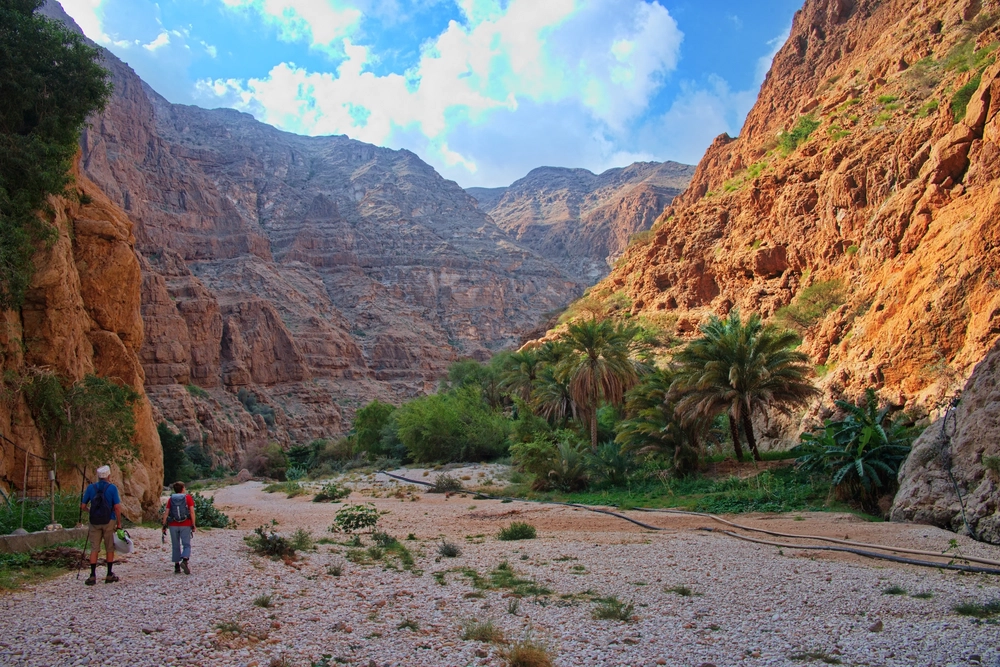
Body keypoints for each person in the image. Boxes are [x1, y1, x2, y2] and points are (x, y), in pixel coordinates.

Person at [80, 465, 123, 585]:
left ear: (98, 476)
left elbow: (83, 506)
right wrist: (119, 523)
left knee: (94, 548)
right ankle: (109, 574)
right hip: (109, 520)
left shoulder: (90, 487)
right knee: (109, 547)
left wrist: (91, 512)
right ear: (109, 475)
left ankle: (92, 575)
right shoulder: (112, 488)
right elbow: (117, 507)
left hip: (94, 522)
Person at [161, 481, 196, 574]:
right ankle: (184, 560)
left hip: (173, 525)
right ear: (183, 488)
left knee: (175, 545)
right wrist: (193, 524)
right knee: (186, 544)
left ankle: (176, 566)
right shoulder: (187, 498)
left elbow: (166, 512)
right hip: (185, 524)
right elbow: (192, 512)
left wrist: (164, 525)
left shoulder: (171, 499)